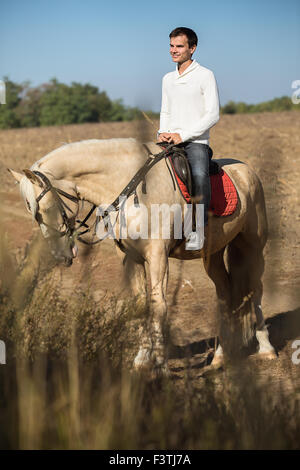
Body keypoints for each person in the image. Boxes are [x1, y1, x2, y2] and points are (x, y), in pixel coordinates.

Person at [157, 27, 220, 250]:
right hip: (169, 142)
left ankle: (198, 230)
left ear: (192, 48)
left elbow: (213, 114)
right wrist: (162, 132)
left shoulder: (205, 75)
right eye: (172, 46)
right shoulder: (167, 78)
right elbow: (165, 111)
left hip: (196, 143)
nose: (174, 50)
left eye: (179, 46)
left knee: (199, 175)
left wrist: (182, 135)